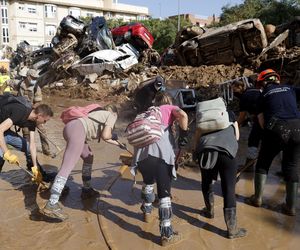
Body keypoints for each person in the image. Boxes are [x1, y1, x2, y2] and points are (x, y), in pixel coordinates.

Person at [40, 104, 123, 221]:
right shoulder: (112, 115)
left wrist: (118, 143)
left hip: (72, 128)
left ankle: (87, 189)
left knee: (89, 157)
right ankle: (51, 204)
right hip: (78, 131)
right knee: (67, 167)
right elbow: (106, 135)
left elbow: (101, 133)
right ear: (115, 113)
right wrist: (115, 140)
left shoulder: (97, 112)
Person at [131, 92, 188, 247]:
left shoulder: (149, 112)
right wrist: (184, 134)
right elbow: (183, 115)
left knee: (148, 182)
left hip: (141, 155)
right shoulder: (169, 107)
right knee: (164, 194)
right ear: (169, 101)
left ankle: (147, 213)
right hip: (160, 155)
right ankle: (166, 235)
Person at [192, 90, 247, 239]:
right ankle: (232, 230)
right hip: (227, 151)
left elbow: (197, 134)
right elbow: (236, 136)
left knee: (207, 181)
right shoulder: (229, 114)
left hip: (206, 150)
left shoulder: (203, 115)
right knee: (228, 188)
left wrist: (196, 152)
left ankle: (209, 211)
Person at [247, 69, 300, 216]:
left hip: (276, 127)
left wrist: (269, 138)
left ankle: (257, 199)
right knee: (292, 166)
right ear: (277, 79)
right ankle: (290, 207)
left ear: (263, 82)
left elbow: (262, 122)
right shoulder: (291, 88)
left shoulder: (262, 95)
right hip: (297, 127)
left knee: (263, 163)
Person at [0, 100, 54, 182]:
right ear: (39, 116)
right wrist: (7, 153)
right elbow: (0, 129)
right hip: (1, 130)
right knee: (1, 157)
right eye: (45, 121)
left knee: (28, 148)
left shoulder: (32, 122)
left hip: (6, 132)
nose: (44, 123)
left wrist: (35, 167)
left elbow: (32, 145)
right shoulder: (20, 111)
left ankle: (38, 173)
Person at [17, 68, 53, 157]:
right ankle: (28, 152)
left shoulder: (36, 87)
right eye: (33, 77)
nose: (34, 79)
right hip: (24, 115)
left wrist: (31, 108)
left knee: (43, 132)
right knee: (26, 133)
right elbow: (8, 82)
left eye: (35, 78)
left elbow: (38, 102)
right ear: (28, 77)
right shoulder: (19, 84)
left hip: (35, 113)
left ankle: (46, 151)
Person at [232, 80, 263, 172]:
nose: (233, 92)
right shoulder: (254, 89)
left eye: (234, 89)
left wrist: (234, 127)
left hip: (262, 118)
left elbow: (241, 117)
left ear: (240, 87)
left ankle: (249, 166)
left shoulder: (245, 97)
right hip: (272, 116)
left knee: (253, 140)